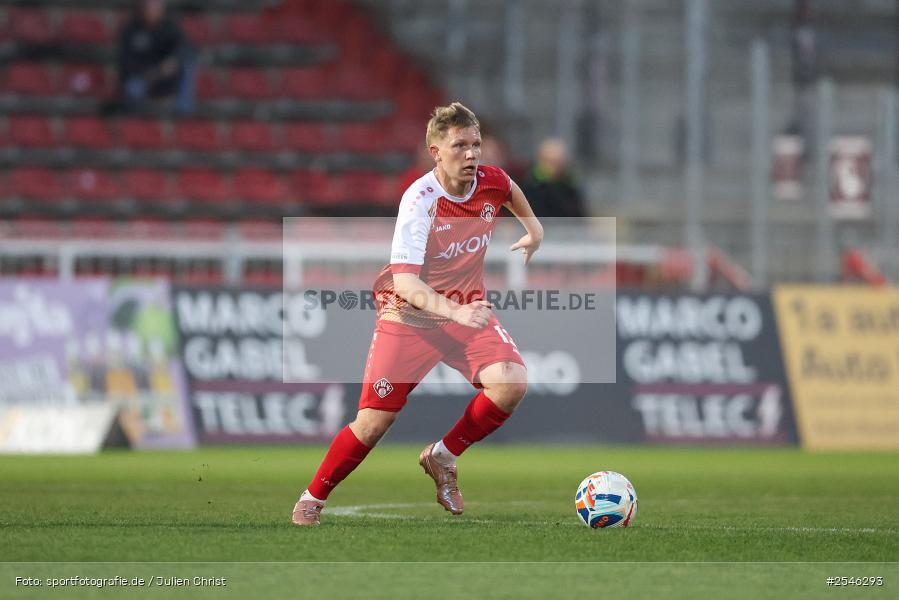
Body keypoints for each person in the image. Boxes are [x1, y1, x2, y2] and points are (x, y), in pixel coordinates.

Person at [292, 102, 544, 525]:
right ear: (436, 151)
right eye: (460, 145)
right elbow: (407, 285)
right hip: (409, 316)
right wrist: (456, 314)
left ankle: (443, 456)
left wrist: (533, 229)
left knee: (511, 383)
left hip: (465, 310)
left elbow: (510, 190)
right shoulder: (420, 201)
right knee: (373, 423)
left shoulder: (490, 181)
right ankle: (312, 498)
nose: (471, 154)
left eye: (476, 144)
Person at [115, 0, 196, 115]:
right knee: (133, 88)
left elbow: (184, 48)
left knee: (187, 65)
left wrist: (172, 62)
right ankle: (137, 120)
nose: (152, 11)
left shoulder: (169, 28)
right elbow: (126, 62)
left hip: (164, 75)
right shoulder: (131, 30)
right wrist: (146, 73)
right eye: (149, 7)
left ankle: (184, 112)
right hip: (141, 76)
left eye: (156, 7)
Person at [520, 137, 586, 218]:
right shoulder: (531, 186)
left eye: (561, 161)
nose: (558, 166)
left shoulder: (571, 185)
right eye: (553, 162)